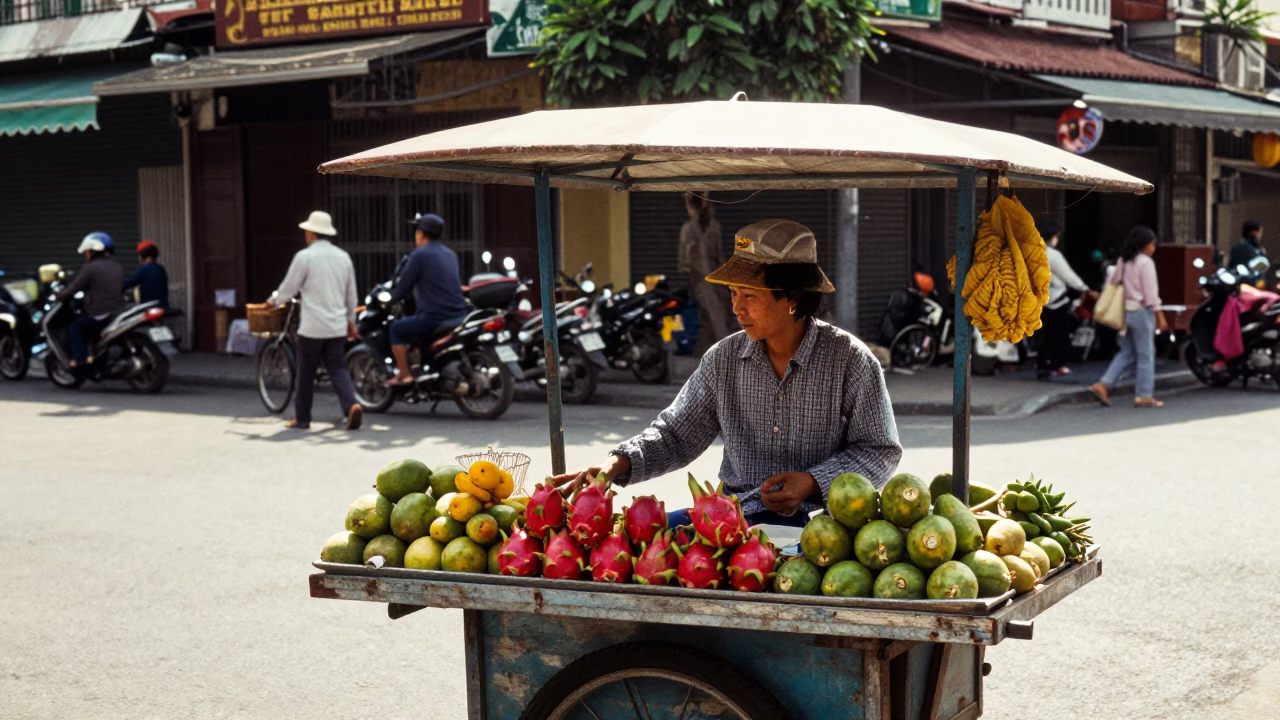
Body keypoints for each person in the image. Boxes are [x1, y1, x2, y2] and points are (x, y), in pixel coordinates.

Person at [553, 219, 902, 527]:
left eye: (749, 295)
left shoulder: (851, 361)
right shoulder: (724, 359)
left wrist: (813, 482)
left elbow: (880, 450)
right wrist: (617, 463)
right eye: (733, 294)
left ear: (792, 298)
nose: (736, 308)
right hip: (734, 517)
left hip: (823, 530)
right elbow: (675, 434)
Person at [268, 211, 362, 430]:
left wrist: (273, 301)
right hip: (337, 325)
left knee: (305, 371)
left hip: (312, 327)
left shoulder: (304, 257)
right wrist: (351, 320)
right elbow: (351, 295)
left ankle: (302, 419)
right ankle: (351, 405)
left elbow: (289, 287)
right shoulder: (343, 257)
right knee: (338, 367)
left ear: (311, 233)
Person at [1090, 225, 1167, 408]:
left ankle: (1104, 384)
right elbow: (1151, 295)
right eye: (1152, 244)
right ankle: (1144, 395)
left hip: (1124, 312)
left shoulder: (1123, 261)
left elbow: (1113, 282)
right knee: (1146, 354)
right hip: (1141, 312)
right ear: (1145, 245)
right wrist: (1160, 316)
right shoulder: (1146, 263)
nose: (1154, 248)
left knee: (1127, 352)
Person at [387, 213, 468, 386]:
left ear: (421, 233)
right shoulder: (450, 254)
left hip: (434, 317)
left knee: (396, 329)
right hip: (459, 315)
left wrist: (390, 301)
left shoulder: (419, 255)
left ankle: (404, 374)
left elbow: (404, 286)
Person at [58, 232, 125, 368]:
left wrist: (61, 295)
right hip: (117, 311)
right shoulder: (116, 266)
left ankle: (80, 361)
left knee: (76, 327)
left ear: (93, 251)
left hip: (101, 313)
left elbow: (76, 287)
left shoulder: (90, 268)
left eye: (87, 252)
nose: (86, 255)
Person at [1037, 223, 1093, 379]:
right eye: (1057, 237)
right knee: (1059, 334)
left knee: (1044, 334)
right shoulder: (1053, 255)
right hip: (1056, 299)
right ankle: (1056, 364)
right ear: (1052, 237)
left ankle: (1042, 365)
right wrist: (1085, 288)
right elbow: (1068, 276)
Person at [678, 192, 729, 350]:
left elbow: (684, 258)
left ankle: (723, 349)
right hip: (707, 279)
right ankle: (706, 350)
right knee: (707, 316)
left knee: (714, 316)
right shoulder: (710, 226)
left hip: (704, 279)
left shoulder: (692, 229)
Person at [124, 240, 169, 309]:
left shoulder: (145, 269)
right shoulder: (160, 269)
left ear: (142, 256)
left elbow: (129, 283)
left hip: (149, 307)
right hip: (163, 306)